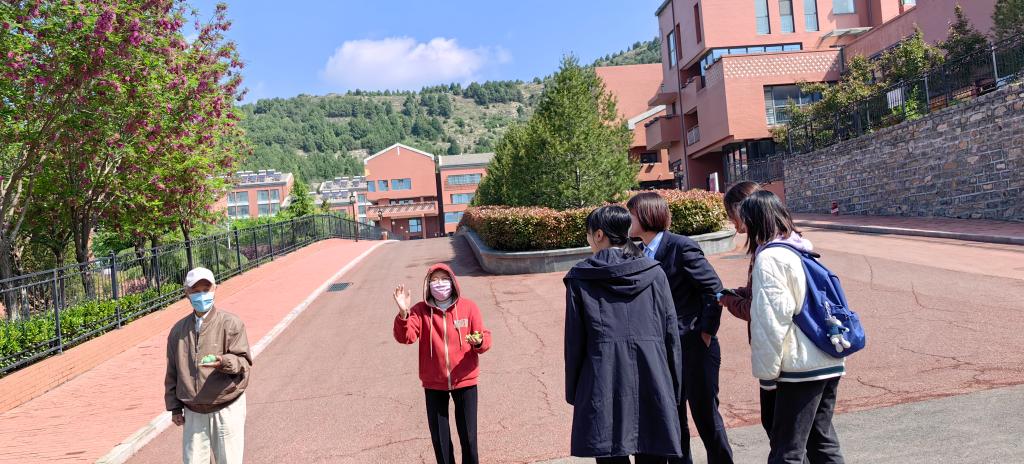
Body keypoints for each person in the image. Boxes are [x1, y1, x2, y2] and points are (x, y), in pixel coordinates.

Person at [564, 205, 683, 464]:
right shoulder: (654, 272)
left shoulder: (581, 277)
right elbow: (670, 334)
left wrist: (576, 392)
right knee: (653, 454)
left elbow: (574, 343)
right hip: (652, 373)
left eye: (588, 234)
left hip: (603, 377)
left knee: (609, 453)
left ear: (598, 235)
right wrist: (673, 385)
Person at [626, 192, 733, 464]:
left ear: (646, 215)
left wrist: (706, 332)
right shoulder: (638, 252)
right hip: (663, 350)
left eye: (631, 214)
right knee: (673, 418)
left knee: (706, 416)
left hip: (694, 345)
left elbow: (713, 290)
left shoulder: (681, 247)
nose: (628, 220)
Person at [741, 191, 845, 464]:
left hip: (799, 367)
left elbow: (771, 320)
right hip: (827, 355)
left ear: (754, 221)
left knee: (787, 450)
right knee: (822, 443)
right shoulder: (800, 248)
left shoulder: (769, 258)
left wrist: (767, 375)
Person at [393, 264, 492, 464]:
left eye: (444, 279)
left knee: (469, 438)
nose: (440, 284)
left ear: (453, 282)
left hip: (465, 379)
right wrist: (404, 314)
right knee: (440, 440)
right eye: (434, 280)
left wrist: (479, 341)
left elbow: (484, 337)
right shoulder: (420, 311)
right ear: (428, 285)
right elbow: (406, 337)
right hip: (434, 383)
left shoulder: (469, 307)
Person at [165, 267, 252, 464]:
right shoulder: (178, 331)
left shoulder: (231, 323)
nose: (201, 295)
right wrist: (175, 408)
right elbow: (172, 372)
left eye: (206, 289)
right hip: (194, 411)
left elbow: (243, 362)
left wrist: (224, 362)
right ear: (186, 293)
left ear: (215, 289)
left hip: (226, 405)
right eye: (195, 291)